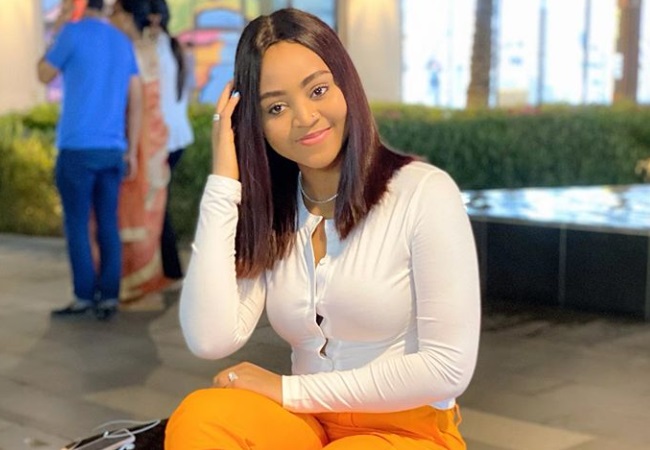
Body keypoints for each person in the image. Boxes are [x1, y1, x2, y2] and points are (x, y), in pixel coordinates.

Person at [165, 8, 481, 450]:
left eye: (317, 90)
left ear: (345, 85)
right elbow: (209, 337)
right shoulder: (277, 211)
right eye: (276, 107)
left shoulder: (423, 193)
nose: (304, 117)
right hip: (308, 428)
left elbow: (447, 368)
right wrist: (223, 182)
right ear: (255, 125)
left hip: (408, 430)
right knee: (201, 418)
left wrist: (289, 390)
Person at [37, 0, 142, 320]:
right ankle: (108, 297)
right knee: (108, 223)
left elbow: (43, 73)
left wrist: (57, 29)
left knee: (78, 224)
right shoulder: (121, 41)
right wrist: (131, 149)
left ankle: (84, 296)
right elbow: (136, 98)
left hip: (77, 148)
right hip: (112, 149)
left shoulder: (71, 33)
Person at [110, 0, 171, 302]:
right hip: (155, 137)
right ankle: (141, 280)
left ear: (127, 16)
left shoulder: (129, 50)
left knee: (134, 211)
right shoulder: (149, 47)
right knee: (148, 211)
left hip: (140, 139)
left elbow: (135, 103)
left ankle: (130, 282)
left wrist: (131, 147)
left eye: (115, 13)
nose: (111, 18)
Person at [148, 0, 195, 281]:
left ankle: (169, 269)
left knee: (158, 207)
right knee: (160, 204)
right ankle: (169, 269)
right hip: (179, 135)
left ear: (154, 19)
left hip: (162, 139)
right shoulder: (177, 47)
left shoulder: (154, 49)